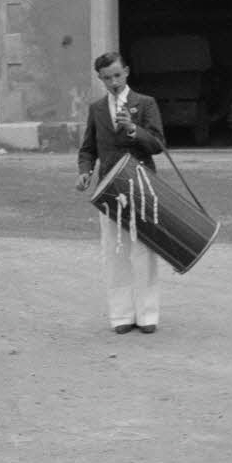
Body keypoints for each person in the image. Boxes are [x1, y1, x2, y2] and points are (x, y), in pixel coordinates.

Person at [75, 51, 166, 334]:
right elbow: (88, 149)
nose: (113, 82)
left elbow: (157, 144)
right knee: (115, 250)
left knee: (145, 250)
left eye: (117, 75)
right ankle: (121, 316)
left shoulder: (146, 103)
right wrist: (85, 171)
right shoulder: (97, 109)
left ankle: (147, 315)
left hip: (142, 184)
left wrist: (133, 130)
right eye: (106, 78)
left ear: (126, 72)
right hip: (110, 189)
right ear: (100, 79)